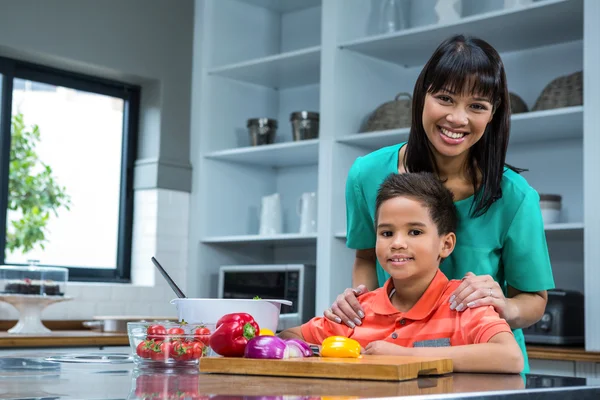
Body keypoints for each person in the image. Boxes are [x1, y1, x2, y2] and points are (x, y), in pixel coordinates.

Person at [325, 34, 554, 373]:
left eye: (477, 106)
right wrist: (362, 304)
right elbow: (364, 255)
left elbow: (534, 299)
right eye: (445, 98)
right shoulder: (367, 175)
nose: (457, 119)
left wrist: (503, 304)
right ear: (422, 97)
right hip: (393, 363)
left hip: (483, 367)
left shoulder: (516, 196)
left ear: (493, 115)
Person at [280, 172, 524, 374]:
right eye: (386, 233)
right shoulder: (357, 311)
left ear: (446, 244)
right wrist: (333, 353)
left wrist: (405, 356)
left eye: (415, 232)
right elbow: (287, 337)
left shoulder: (465, 303)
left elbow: (510, 358)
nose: (397, 243)